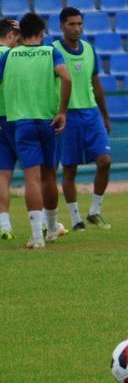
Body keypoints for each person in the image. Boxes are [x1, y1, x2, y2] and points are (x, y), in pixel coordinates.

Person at [0, 13, 72, 249]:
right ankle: (51, 229)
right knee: (49, 175)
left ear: (21, 34)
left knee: (31, 178)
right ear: (41, 33)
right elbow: (66, 78)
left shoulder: (10, 55)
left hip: (22, 122)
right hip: (49, 121)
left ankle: (37, 237)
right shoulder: (51, 51)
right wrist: (62, 111)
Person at [52, 7, 113, 231]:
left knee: (105, 161)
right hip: (68, 115)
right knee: (69, 168)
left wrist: (105, 115)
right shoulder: (53, 50)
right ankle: (76, 219)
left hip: (91, 113)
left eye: (79, 24)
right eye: (71, 24)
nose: (76, 28)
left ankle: (95, 211)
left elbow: (96, 84)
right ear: (62, 25)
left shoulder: (89, 49)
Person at [0, 17, 19, 240]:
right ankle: (43, 222)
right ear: (11, 35)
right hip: (17, 116)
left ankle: (4, 225)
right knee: (37, 171)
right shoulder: (12, 56)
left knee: (3, 174)